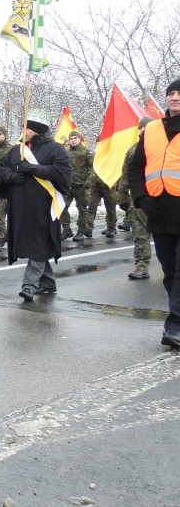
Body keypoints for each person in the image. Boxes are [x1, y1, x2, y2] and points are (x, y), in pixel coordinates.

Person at [0, 111, 71, 302]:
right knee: (34, 242)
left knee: (39, 241)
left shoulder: (56, 149)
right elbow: (2, 167)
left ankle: (29, 285)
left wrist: (33, 169)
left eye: (26, 127)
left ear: (36, 130)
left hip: (44, 205)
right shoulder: (18, 149)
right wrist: (11, 176)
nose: (24, 131)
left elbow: (62, 173)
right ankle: (48, 283)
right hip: (20, 206)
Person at [127, 82, 180, 348]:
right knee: (169, 271)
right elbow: (135, 169)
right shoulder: (152, 130)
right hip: (158, 211)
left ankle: (174, 326)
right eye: (171, 93)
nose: (174, 97)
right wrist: (142, 198)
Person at [117, 117, 154, 279]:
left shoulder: (163, 146)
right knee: (139, 235)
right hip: (138, 199)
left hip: (162, 198)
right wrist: (122, 197)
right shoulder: (132, 151)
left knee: (167, 236)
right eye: (141, 127)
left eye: (147, 127)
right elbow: (126, 175)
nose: (144, 129)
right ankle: (141, 266)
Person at [61, 131, 94, 241]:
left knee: (82, 209)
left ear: (79, 139)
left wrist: (89, 181)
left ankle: (81, 231)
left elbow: (94, 168)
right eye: (71, 138)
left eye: (75, 138)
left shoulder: (87, 152)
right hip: (68, 186)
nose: (73, 140)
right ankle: (66, 229)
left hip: (82, 186)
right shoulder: (65, 152)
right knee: (61, 207)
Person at [88, 170, 118, 238]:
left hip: (109, 185)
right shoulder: (95, 159)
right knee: (91, 207)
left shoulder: (111, 159)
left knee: (111, 209)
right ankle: (89, 228)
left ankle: (111, 228)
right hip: (95, 185)